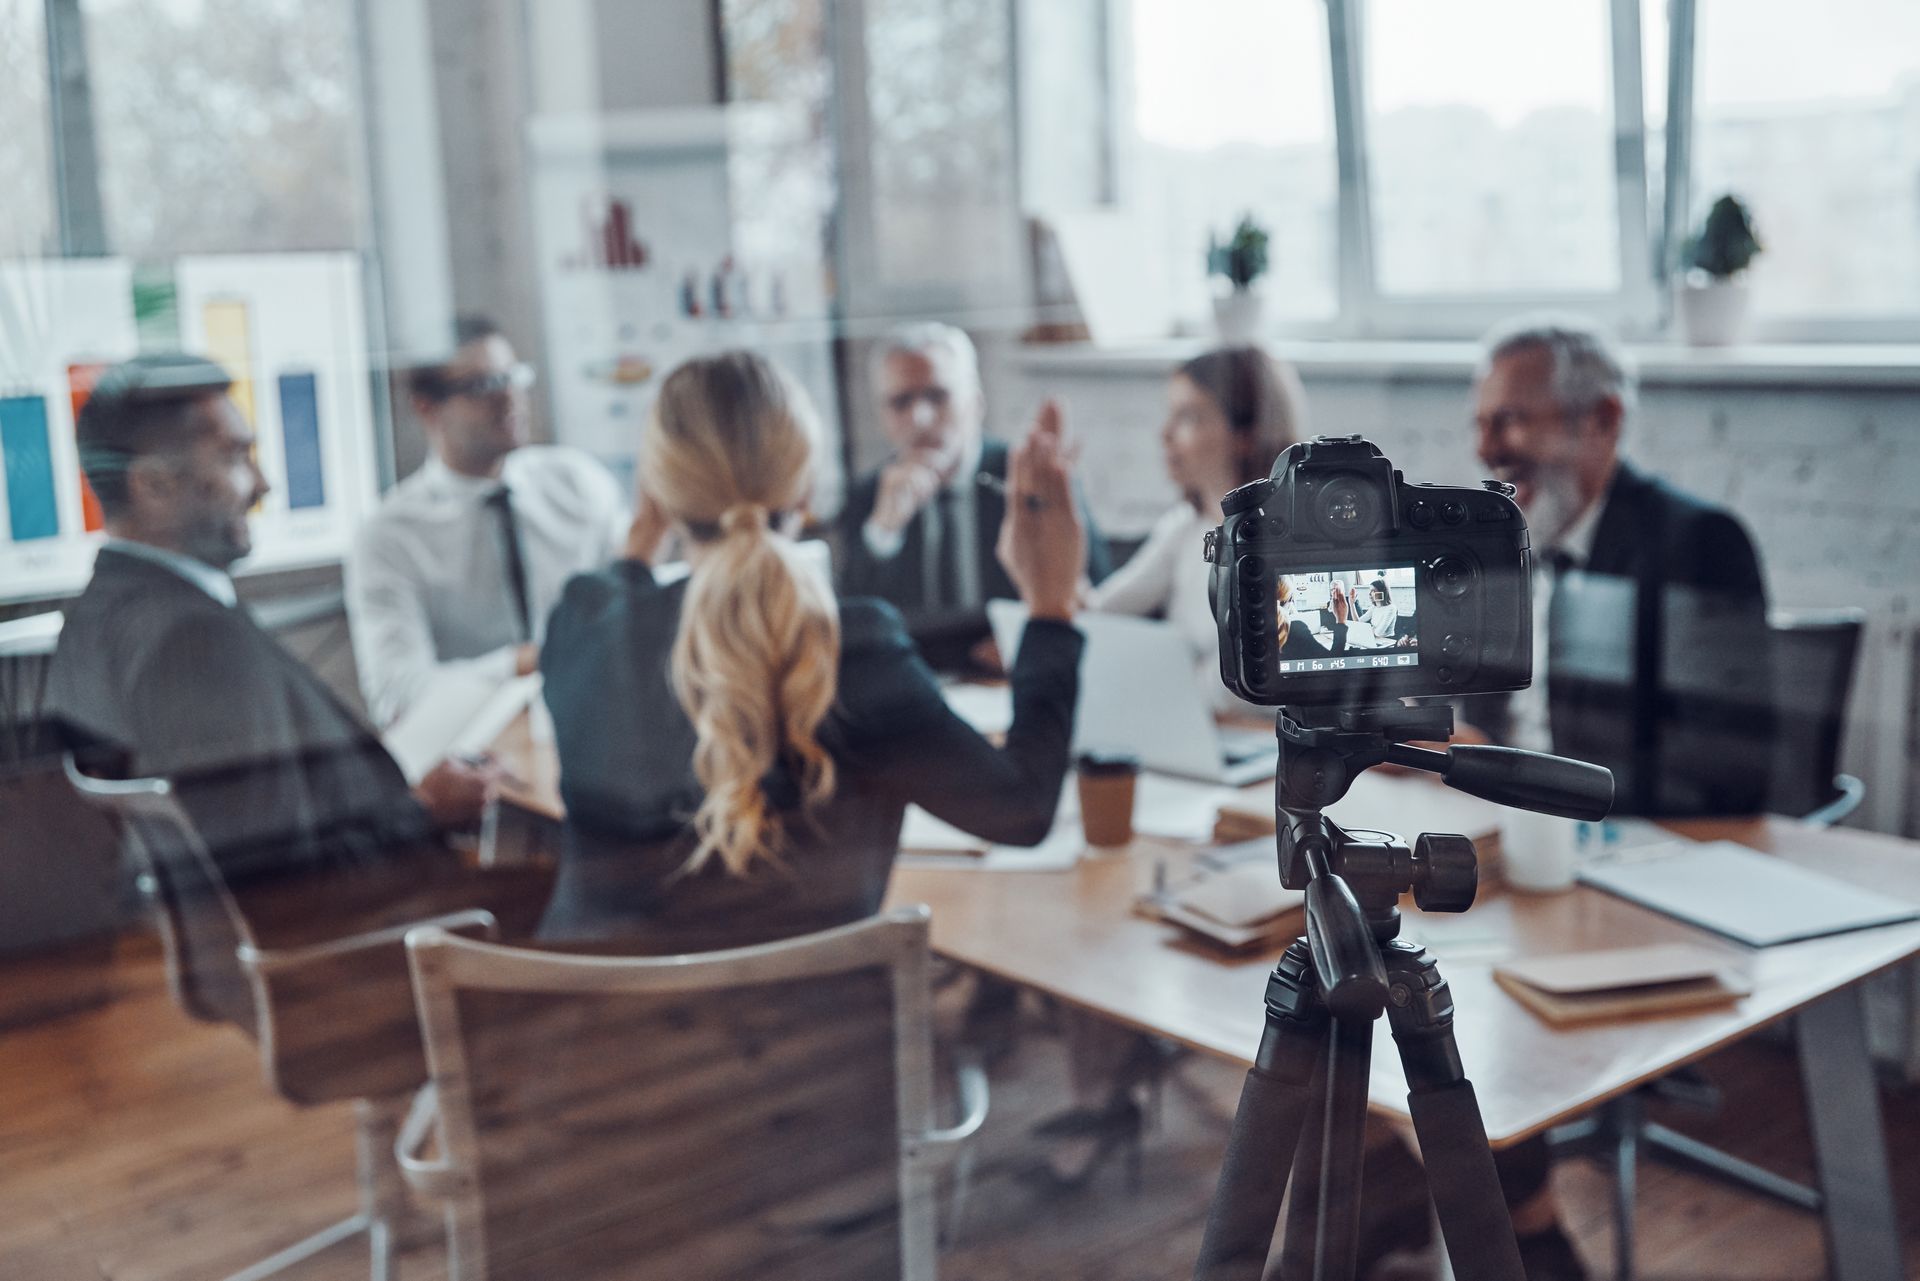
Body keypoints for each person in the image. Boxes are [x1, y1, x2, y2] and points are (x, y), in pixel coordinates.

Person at [536, 350, 1086, 949]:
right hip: (814, 1011)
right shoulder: (852, 650)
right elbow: (1023, 810)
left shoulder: (581, 623)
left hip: (594, 1005)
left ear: (660, 489)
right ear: (804, 488)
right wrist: (1049, 606)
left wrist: (644, 534)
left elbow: (618, 595)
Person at [44, 354, 539, 932]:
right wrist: (424, 811)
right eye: (235, 456)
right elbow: (287, 884)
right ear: (153, 485)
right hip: (387, 944)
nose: (263, 485)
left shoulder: (94, 616)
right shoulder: (192, 640)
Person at [1466, 313, 1772, 817]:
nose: (1486, 450)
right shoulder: (1509, 546)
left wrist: (1506, 770)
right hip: (1511, 824)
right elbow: (1491, 725)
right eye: (1480, 425)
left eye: (1511, 420)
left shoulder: (1699, 545)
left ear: (1602, 419)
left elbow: (1725, 772)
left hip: (1626, 838)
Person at [345, 316, 627, 727]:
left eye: (513, 377)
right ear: (427, 407)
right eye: (484, 385)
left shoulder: (578, 483)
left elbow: (632, 618)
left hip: (601, 726)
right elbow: (397, 691)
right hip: (475, 747)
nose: (510, 397)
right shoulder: (389, 535)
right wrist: (522, 664)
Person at [836, 322, 1108, 670]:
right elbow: (852, 626)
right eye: (901, 402)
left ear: (976, 403)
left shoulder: (1026, 478)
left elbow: (1095, 592)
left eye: (937, 396)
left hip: (1014, 668)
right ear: (882, 417)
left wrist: (1028, 640)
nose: (920, 418)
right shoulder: (868, 495)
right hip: (919, 680)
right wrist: (884, 530)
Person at [1087, 345, 1304, 665]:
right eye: (1170, 414)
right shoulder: (1183, 527)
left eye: (1189, 416)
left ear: (1246, 434)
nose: (1165, 434)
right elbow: (1098, 611)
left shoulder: (1293, 547)